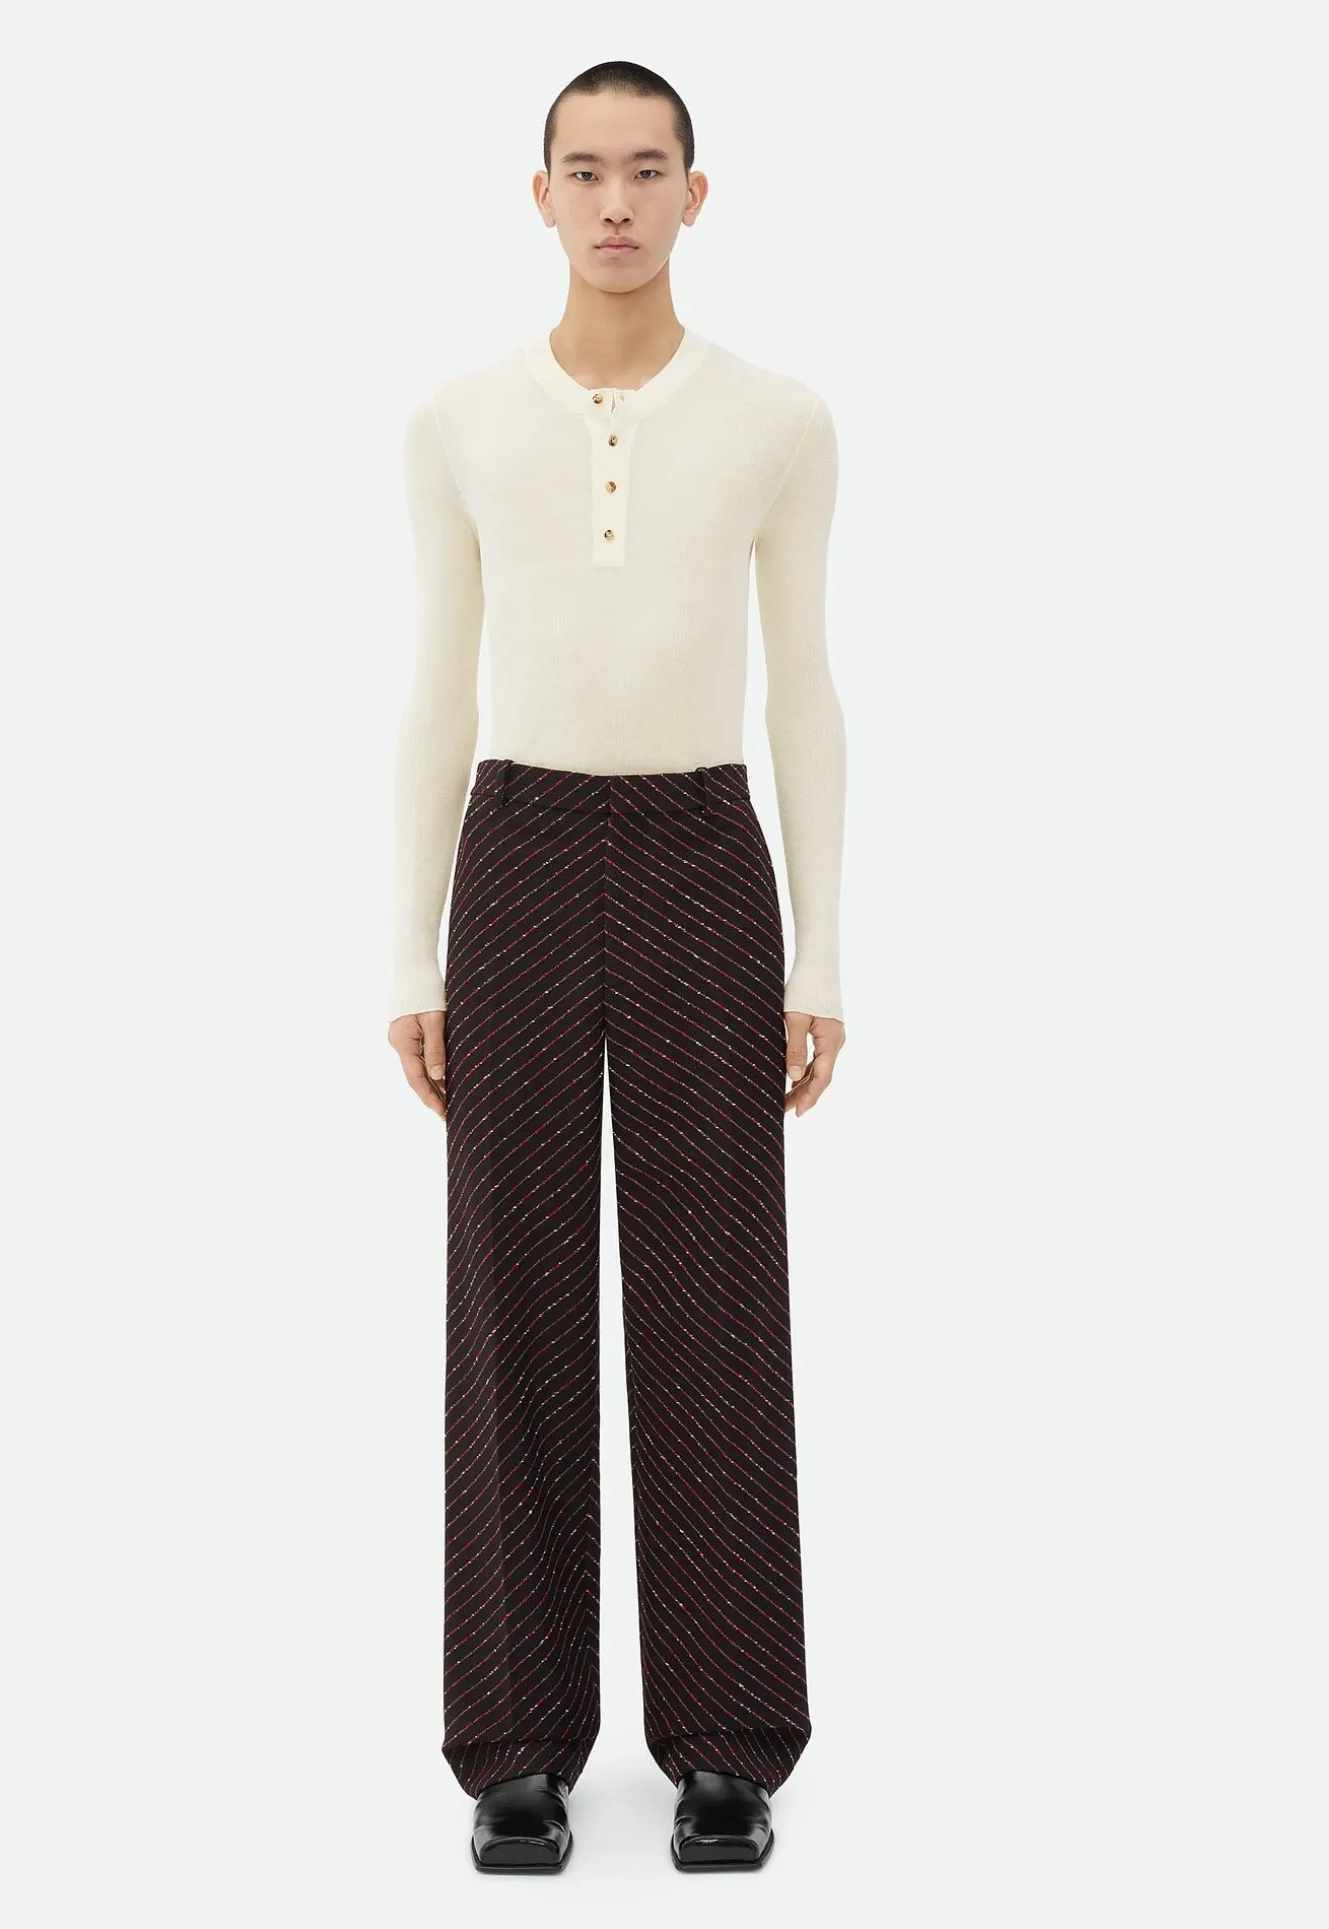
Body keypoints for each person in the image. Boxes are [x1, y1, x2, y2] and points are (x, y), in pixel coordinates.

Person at [385, 59, 848, 1874]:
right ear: (539, 194)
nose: (615, 204)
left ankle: (726, 1743)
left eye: (646, 170)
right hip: (514, 851)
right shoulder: (457, 422)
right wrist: (408, 948)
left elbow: (804, 690)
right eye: (583, 171)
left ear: (694, 194)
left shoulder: (777, 420)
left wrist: (822, 951)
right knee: (509, 1290)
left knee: (713, 1290)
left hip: (699, 853)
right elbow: (434, 690)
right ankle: (514, 1746)